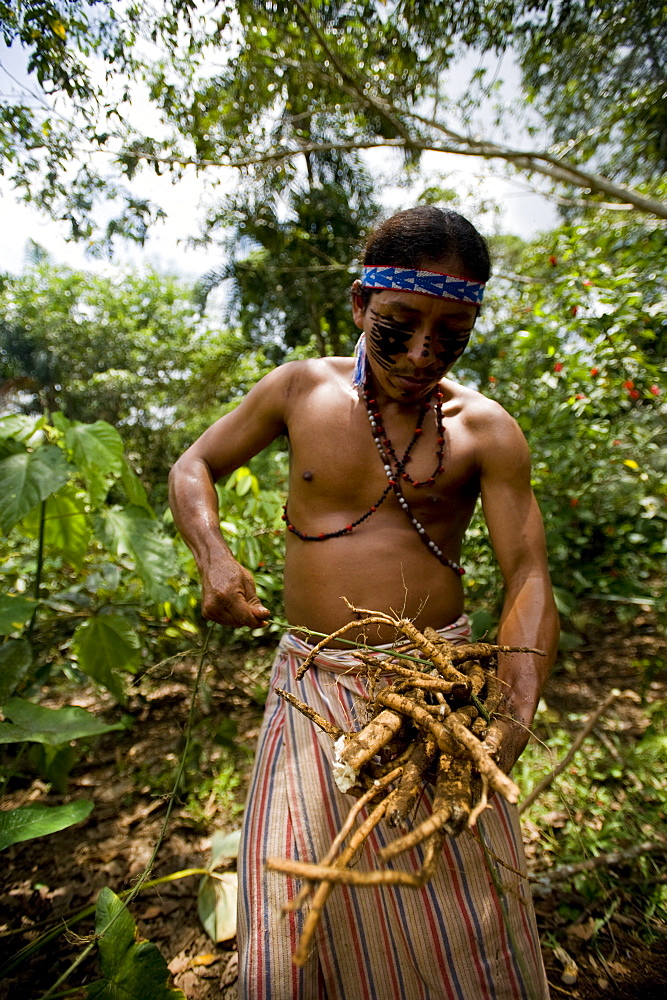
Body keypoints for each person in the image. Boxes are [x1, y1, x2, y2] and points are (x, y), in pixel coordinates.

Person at [169, 206, 559, 1000]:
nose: (420, 354)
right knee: (295, 896)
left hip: (434, 691)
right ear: (359, 305)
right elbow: (192, 466)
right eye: (398, 327)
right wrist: (214, 557)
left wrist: (509, 718)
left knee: (454, 902)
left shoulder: (484, 429)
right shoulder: (298, 390)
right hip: (311, 686)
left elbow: (527, 575)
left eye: (449, 335)